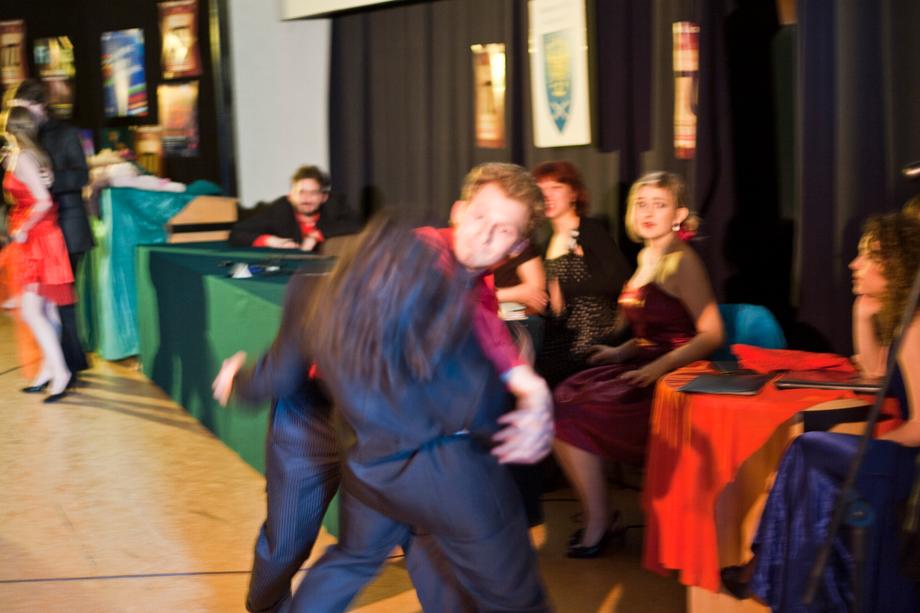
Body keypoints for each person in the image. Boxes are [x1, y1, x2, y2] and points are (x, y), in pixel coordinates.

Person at [286, 163, 553, 612]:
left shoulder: (475, 276)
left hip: (381, 449)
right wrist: (523, 389)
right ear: (459, 211)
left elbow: (482, 321)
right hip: (404, 440)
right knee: (513, 591)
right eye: (480, 217)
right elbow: (441, 303)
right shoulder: (423, 250)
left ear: (518, 247)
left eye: (504, 229)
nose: (485, 235)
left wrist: (529, 387)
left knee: (356, 559)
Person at [211, 272, 471, 613]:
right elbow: (281, 372)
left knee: (421, 533)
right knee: (287, 542)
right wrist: (239, 382)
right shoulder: (314, 290)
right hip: (308, 424)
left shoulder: (431, 294)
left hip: (383, 428)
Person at [723, 212, 920, 612]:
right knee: (806, 452)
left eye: (869, 256)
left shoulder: (917, 328)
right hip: (901, 452)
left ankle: (769, 576)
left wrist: (869, 441)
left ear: (896, 267)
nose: (854, 264)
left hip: (909, 466)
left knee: (807, 452)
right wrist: (861, 311)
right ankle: (770, 576)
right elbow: (875, 372)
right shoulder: (905, 323)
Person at [553, 171, 724, 557]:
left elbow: (711, 333)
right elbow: (656, 328)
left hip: (674, 376)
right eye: (641, 204)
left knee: (570, 412)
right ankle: (601, 516)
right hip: (646, 363)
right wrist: (620, 352)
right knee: (562, 397)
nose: (648, 212)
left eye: (659, 205)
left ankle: (599, 521)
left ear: (678, 214)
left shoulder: (683, 261)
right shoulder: (647, 256)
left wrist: (659, 367)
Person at [11, 79, 91, 381]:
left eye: (25, 108)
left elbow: (82, 175)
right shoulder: (23, 135)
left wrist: (53, 178)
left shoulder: (66, 132)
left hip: (67, 227)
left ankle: (68, 367)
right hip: (40, 232)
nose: (21, 114)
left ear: (40, 105)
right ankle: (57, 367)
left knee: (61, 303)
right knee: (45, 306)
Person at [533, 160, 630, 387]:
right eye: (541, 189)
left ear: (574, 193)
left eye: (556, 188)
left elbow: (620, 280)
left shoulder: (590, 230)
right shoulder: (545, 243)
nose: (547, 196)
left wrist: (562, 288)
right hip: (560, 344)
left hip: (593, 345)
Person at [2, 106, 75, 402]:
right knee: (47, 310)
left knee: (33, 311)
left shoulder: (25, 157)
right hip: (41, 238)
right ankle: (48, 370)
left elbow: (43, 200)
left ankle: (60, 372)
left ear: (11, 127)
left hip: (39, 240)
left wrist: (23, 227)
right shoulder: (29, 154)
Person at [229, 165, 332, 252]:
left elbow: (342, 226)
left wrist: (315, 236)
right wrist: (271, 241)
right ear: (290, 196)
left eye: (313, 193)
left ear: (324, 197)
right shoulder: (279, 211)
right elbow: (237, 234)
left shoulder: (334, 209)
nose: (307, 198)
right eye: (301, 192)